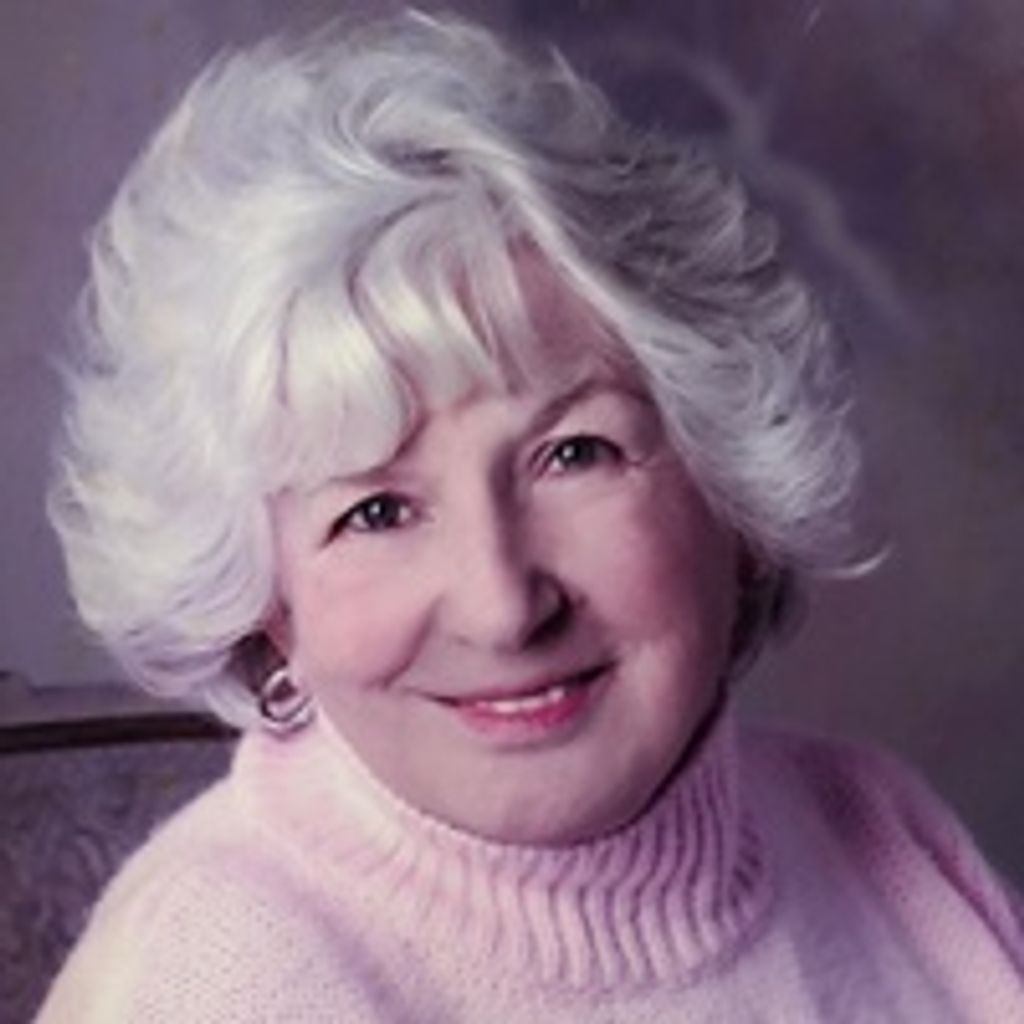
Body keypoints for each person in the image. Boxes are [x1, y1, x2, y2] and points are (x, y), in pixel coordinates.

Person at [38, 10, 1023, 1021]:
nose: (503, 605)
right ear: (269, 610)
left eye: (573, 454)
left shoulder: (877, 834)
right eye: (376, 511)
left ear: (727, 481)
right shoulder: (222, 979)